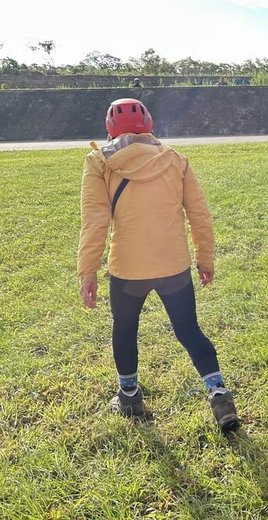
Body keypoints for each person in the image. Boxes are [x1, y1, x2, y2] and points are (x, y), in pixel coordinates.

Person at [77, 97, 239, 433]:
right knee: (189, 331)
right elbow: (199, 214)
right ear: (148, 123)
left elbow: (94, 220)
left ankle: (129, 395)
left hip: (127, 270)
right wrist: (204, 258)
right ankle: (218, 392)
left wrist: (87, 270)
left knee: (124, 331)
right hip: (174, 267)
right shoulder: (175, 159)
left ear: (110, 129)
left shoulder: (98, 162)